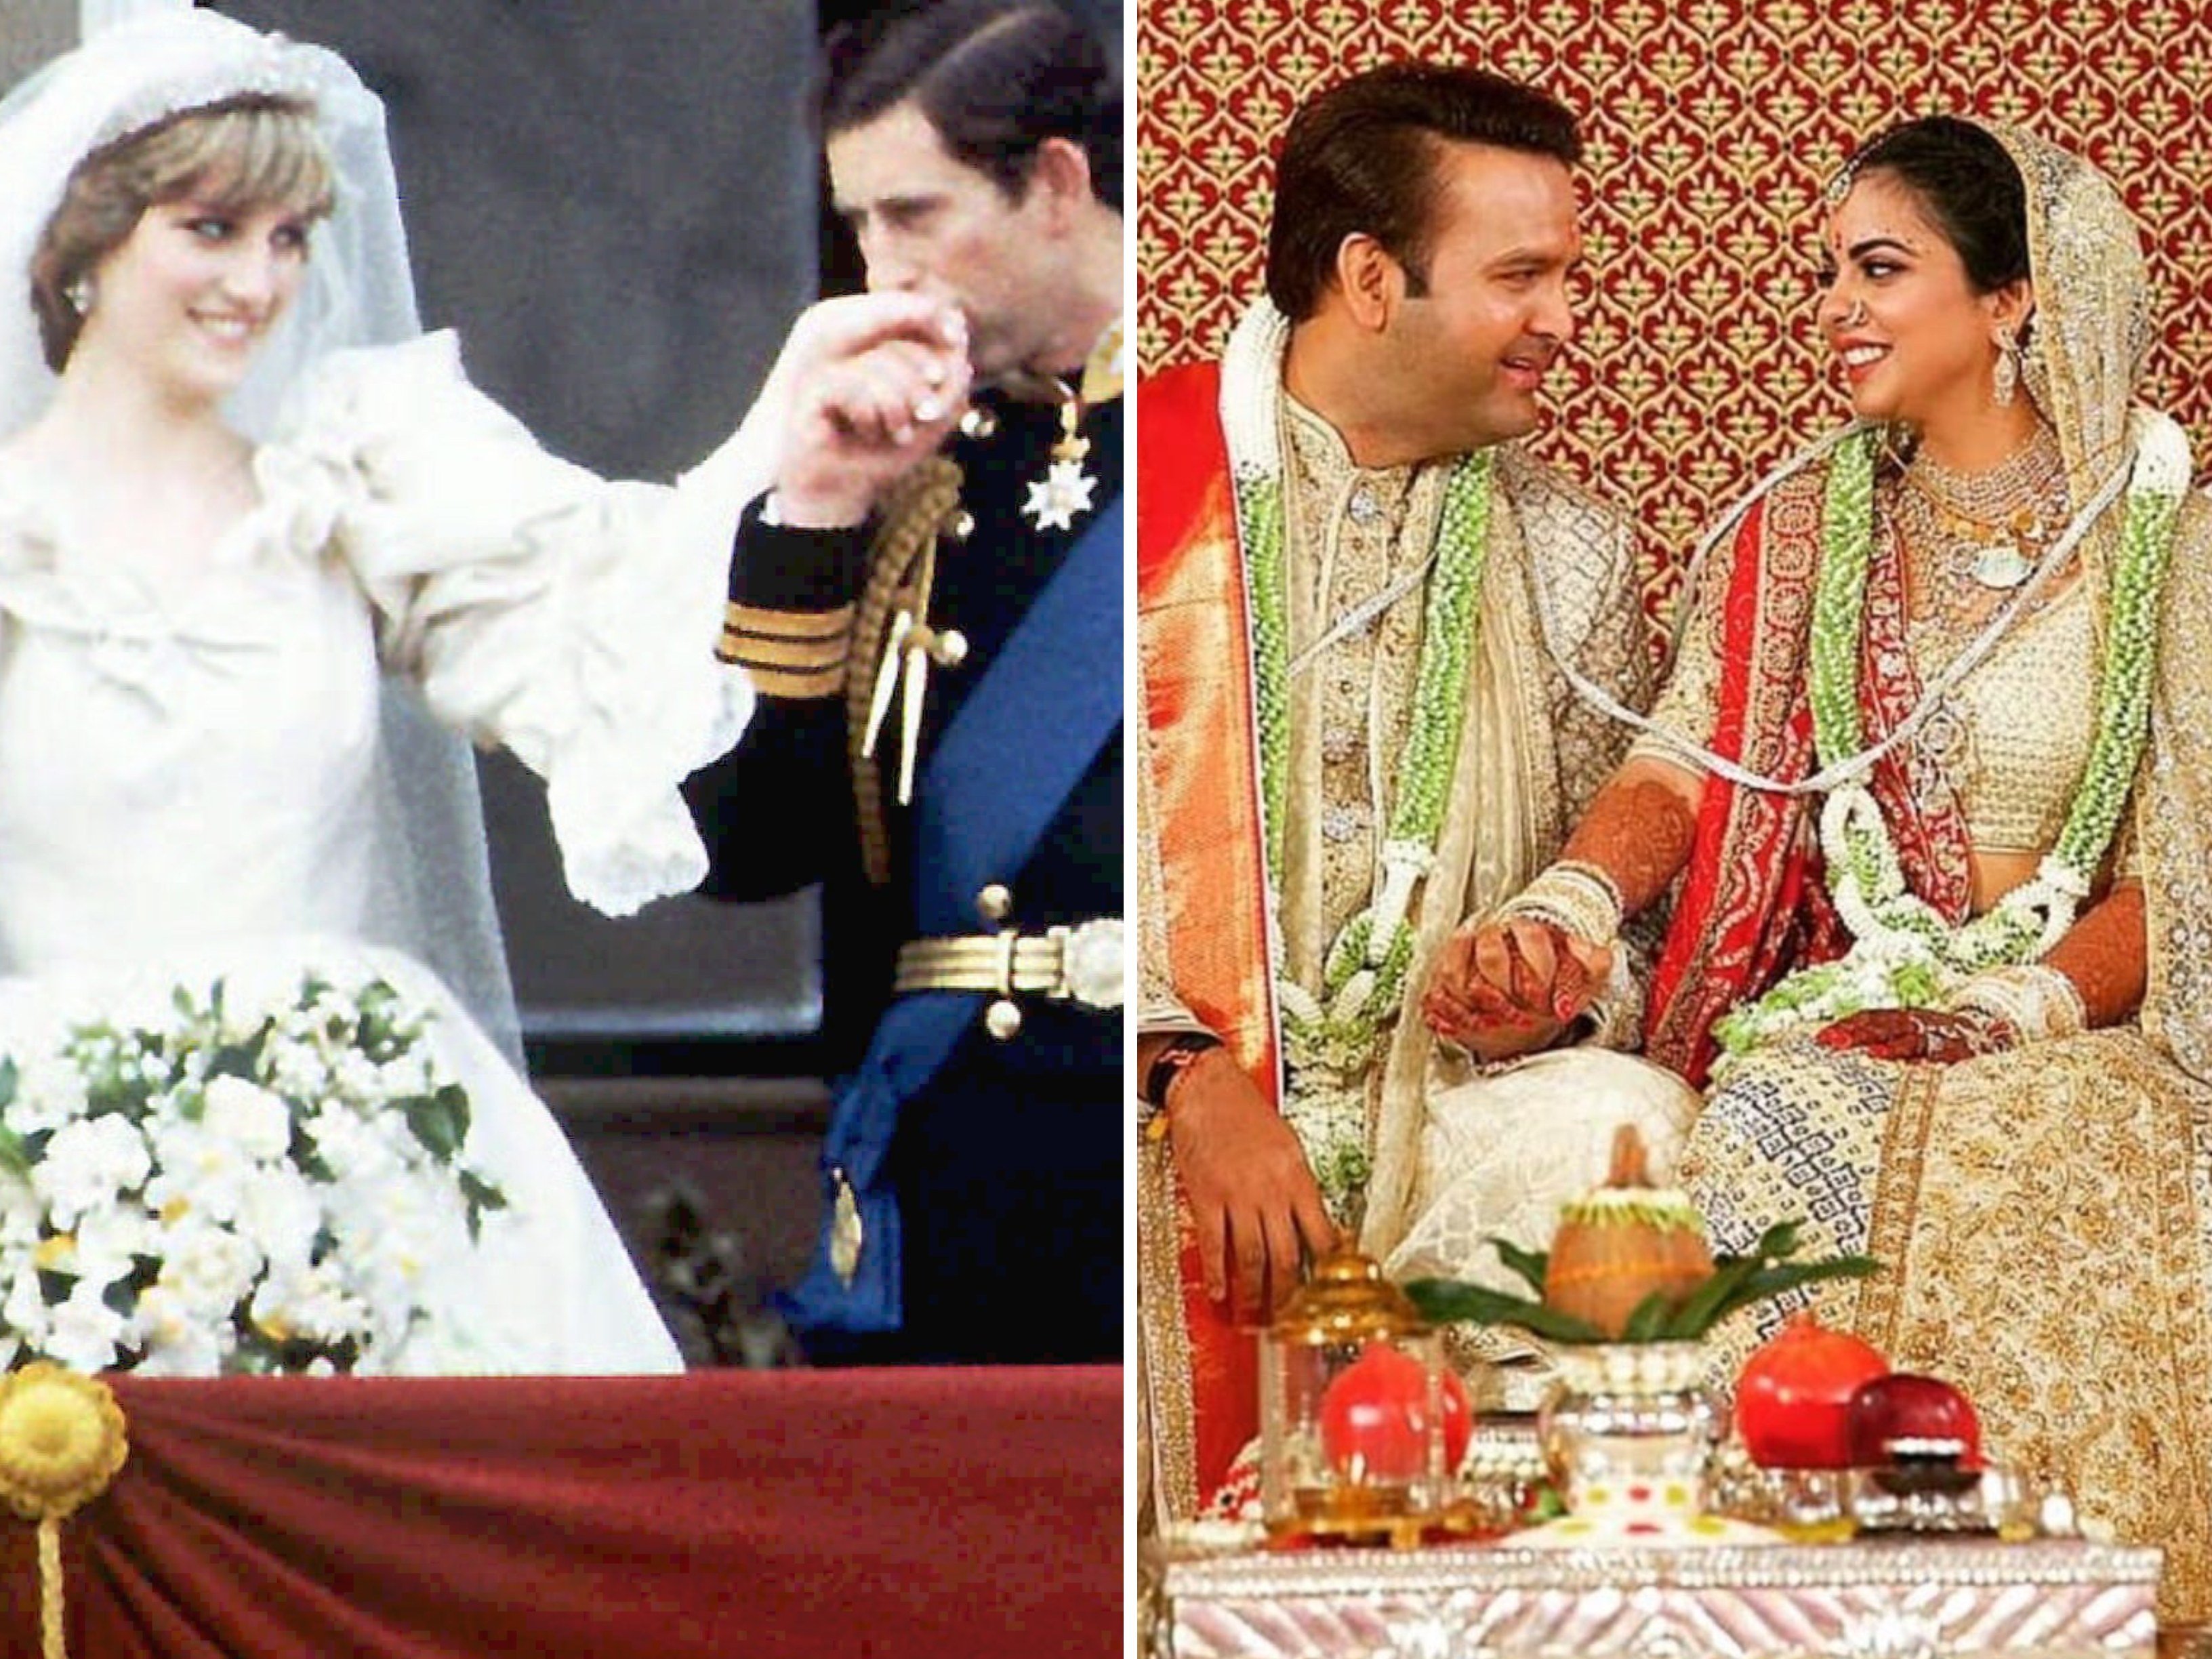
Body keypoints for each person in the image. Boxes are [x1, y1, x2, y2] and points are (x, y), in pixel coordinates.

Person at [1431, 117, 2212, 1621]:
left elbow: (2189, 872)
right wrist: (1569, 903)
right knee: (1784, 1098)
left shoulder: (2166, 547)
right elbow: (1679, 767)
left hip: (2089, 1031)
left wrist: (2009, 1015)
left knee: (1953, 1135)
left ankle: (2040, 1596)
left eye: (1880, 270)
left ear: (2011, 300)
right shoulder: (1795, 531)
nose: (1835, 309)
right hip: (1836, 1020)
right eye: (1828, 274)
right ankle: (1789, 1598)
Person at [0, 11, 767, 1374]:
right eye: (212, 229)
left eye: (290, 238)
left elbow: (611, 595)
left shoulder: (351, 485)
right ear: (83, 245)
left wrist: (784, 448)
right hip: (45, 1172)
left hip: (358, 1169)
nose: (259, 281)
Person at [1135, 62, 1682, 1521]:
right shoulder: (1134, 500)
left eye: (1568, 274)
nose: (1564, 320)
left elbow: (1631, 938)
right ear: (1371, 279)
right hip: (1148, 1116)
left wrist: (1548, 983)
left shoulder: (1576, 559)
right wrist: (1185, 1076)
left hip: (1441, 1119)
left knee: (1610, 1128)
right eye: (1524, 276)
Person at [682, 0, 1124, 1366]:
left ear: (1056, 182)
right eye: (859, 224)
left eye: (913, 217)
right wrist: (812, 509)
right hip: (962, 1155)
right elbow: (744, 847)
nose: (880, 273)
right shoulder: (893, 461)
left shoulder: (1232, 425)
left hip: (1182, 1138)